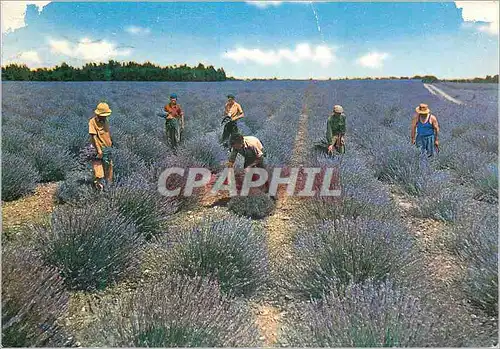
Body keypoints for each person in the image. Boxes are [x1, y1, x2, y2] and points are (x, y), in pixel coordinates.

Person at [89, 102, 113, 190]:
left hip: (107, 148)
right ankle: (97, 188)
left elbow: (107, 134)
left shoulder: (106, 121)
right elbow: (93, 136)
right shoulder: (92, 122)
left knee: (109, 168)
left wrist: (110, 143)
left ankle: (108, 187)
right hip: (97, 149)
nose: (105, 116)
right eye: (104, 115)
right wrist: (99, 150)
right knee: (98, 169)